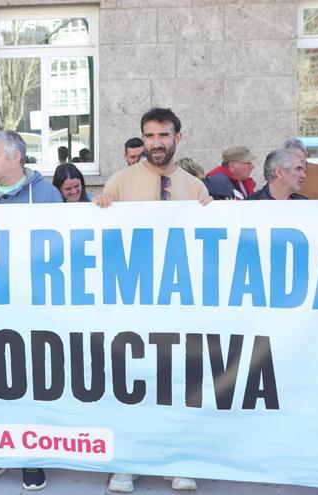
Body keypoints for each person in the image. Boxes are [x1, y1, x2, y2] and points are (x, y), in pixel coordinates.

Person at [94, 108, 207, 492]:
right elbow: (98, 237)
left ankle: (177, 460)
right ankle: (125, 462)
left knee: (177, 382)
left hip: (177, 303)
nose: (156, 143)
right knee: (130, 383)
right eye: (149, 136)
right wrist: (98, 211)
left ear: (179, 137)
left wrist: (215, 217)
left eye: (163, 135)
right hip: (132, 303)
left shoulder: (196, 188)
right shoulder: (120, 182)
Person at [0, 131, 61, 491]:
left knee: (31, 382)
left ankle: (31, 456)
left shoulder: (47, 195)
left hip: (34, 308)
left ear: (15, 157)